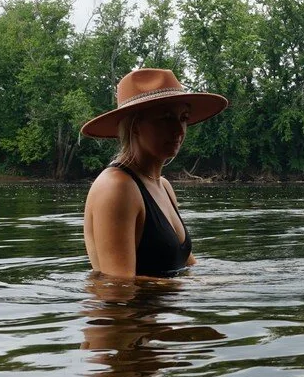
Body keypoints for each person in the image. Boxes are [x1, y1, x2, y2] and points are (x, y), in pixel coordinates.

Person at [81, 68, 228, 278]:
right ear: (134, 126)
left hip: (166, 310)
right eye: (166, 118)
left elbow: (186, 266)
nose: (179, 130)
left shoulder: (164, 186)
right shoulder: (116, 187)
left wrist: (255, 278)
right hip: (129, 312)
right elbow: (116, 286)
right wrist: (190, 288)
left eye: (183, 118)